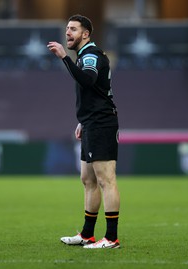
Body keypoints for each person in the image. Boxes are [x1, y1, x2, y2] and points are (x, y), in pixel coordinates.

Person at [48, 14, 120, 249]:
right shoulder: (84, 55)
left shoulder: (90, 55)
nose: (68, 32)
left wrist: (63, 58)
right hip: (91, 122)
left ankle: (111, 238)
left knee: (106, 179)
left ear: (85, 34)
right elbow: (95, 91)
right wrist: (83, 120)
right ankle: (88, 234)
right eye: (67, 28)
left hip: (101, 124)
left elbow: (88, 81)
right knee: (87, 179)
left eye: (73, 29)